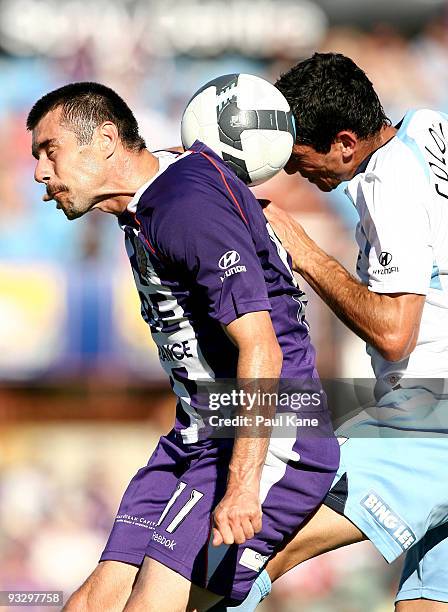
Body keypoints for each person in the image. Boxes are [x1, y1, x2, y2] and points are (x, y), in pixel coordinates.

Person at [27, 82, 339, 611]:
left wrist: (242, 485)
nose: (39, 172)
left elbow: (262, 345)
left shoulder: (185, 204)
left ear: (105, 140)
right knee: (86, 605)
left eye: (50, 151)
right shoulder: (152, 199)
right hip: (196, 438)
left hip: (267, 435)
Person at [221, 52, 448, 611]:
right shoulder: (427, 126)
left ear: (346, 142)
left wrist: (305, 253)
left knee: (254, 546)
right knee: (426, 602)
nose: (294, 172)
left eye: (298, 158)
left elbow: (395, 333)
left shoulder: (389, 177)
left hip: (431, 413)